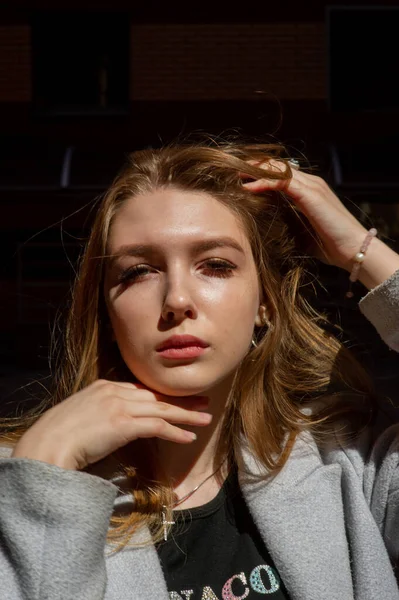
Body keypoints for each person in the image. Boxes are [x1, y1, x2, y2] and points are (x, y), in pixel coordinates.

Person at [0, 140, 399, 600]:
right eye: (138, 272)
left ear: (265, 304)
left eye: (215, 265)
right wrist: (43, 483)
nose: (176, 300)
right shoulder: (28, 478)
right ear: (106, 313)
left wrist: (360, 251)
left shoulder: (352, 466)